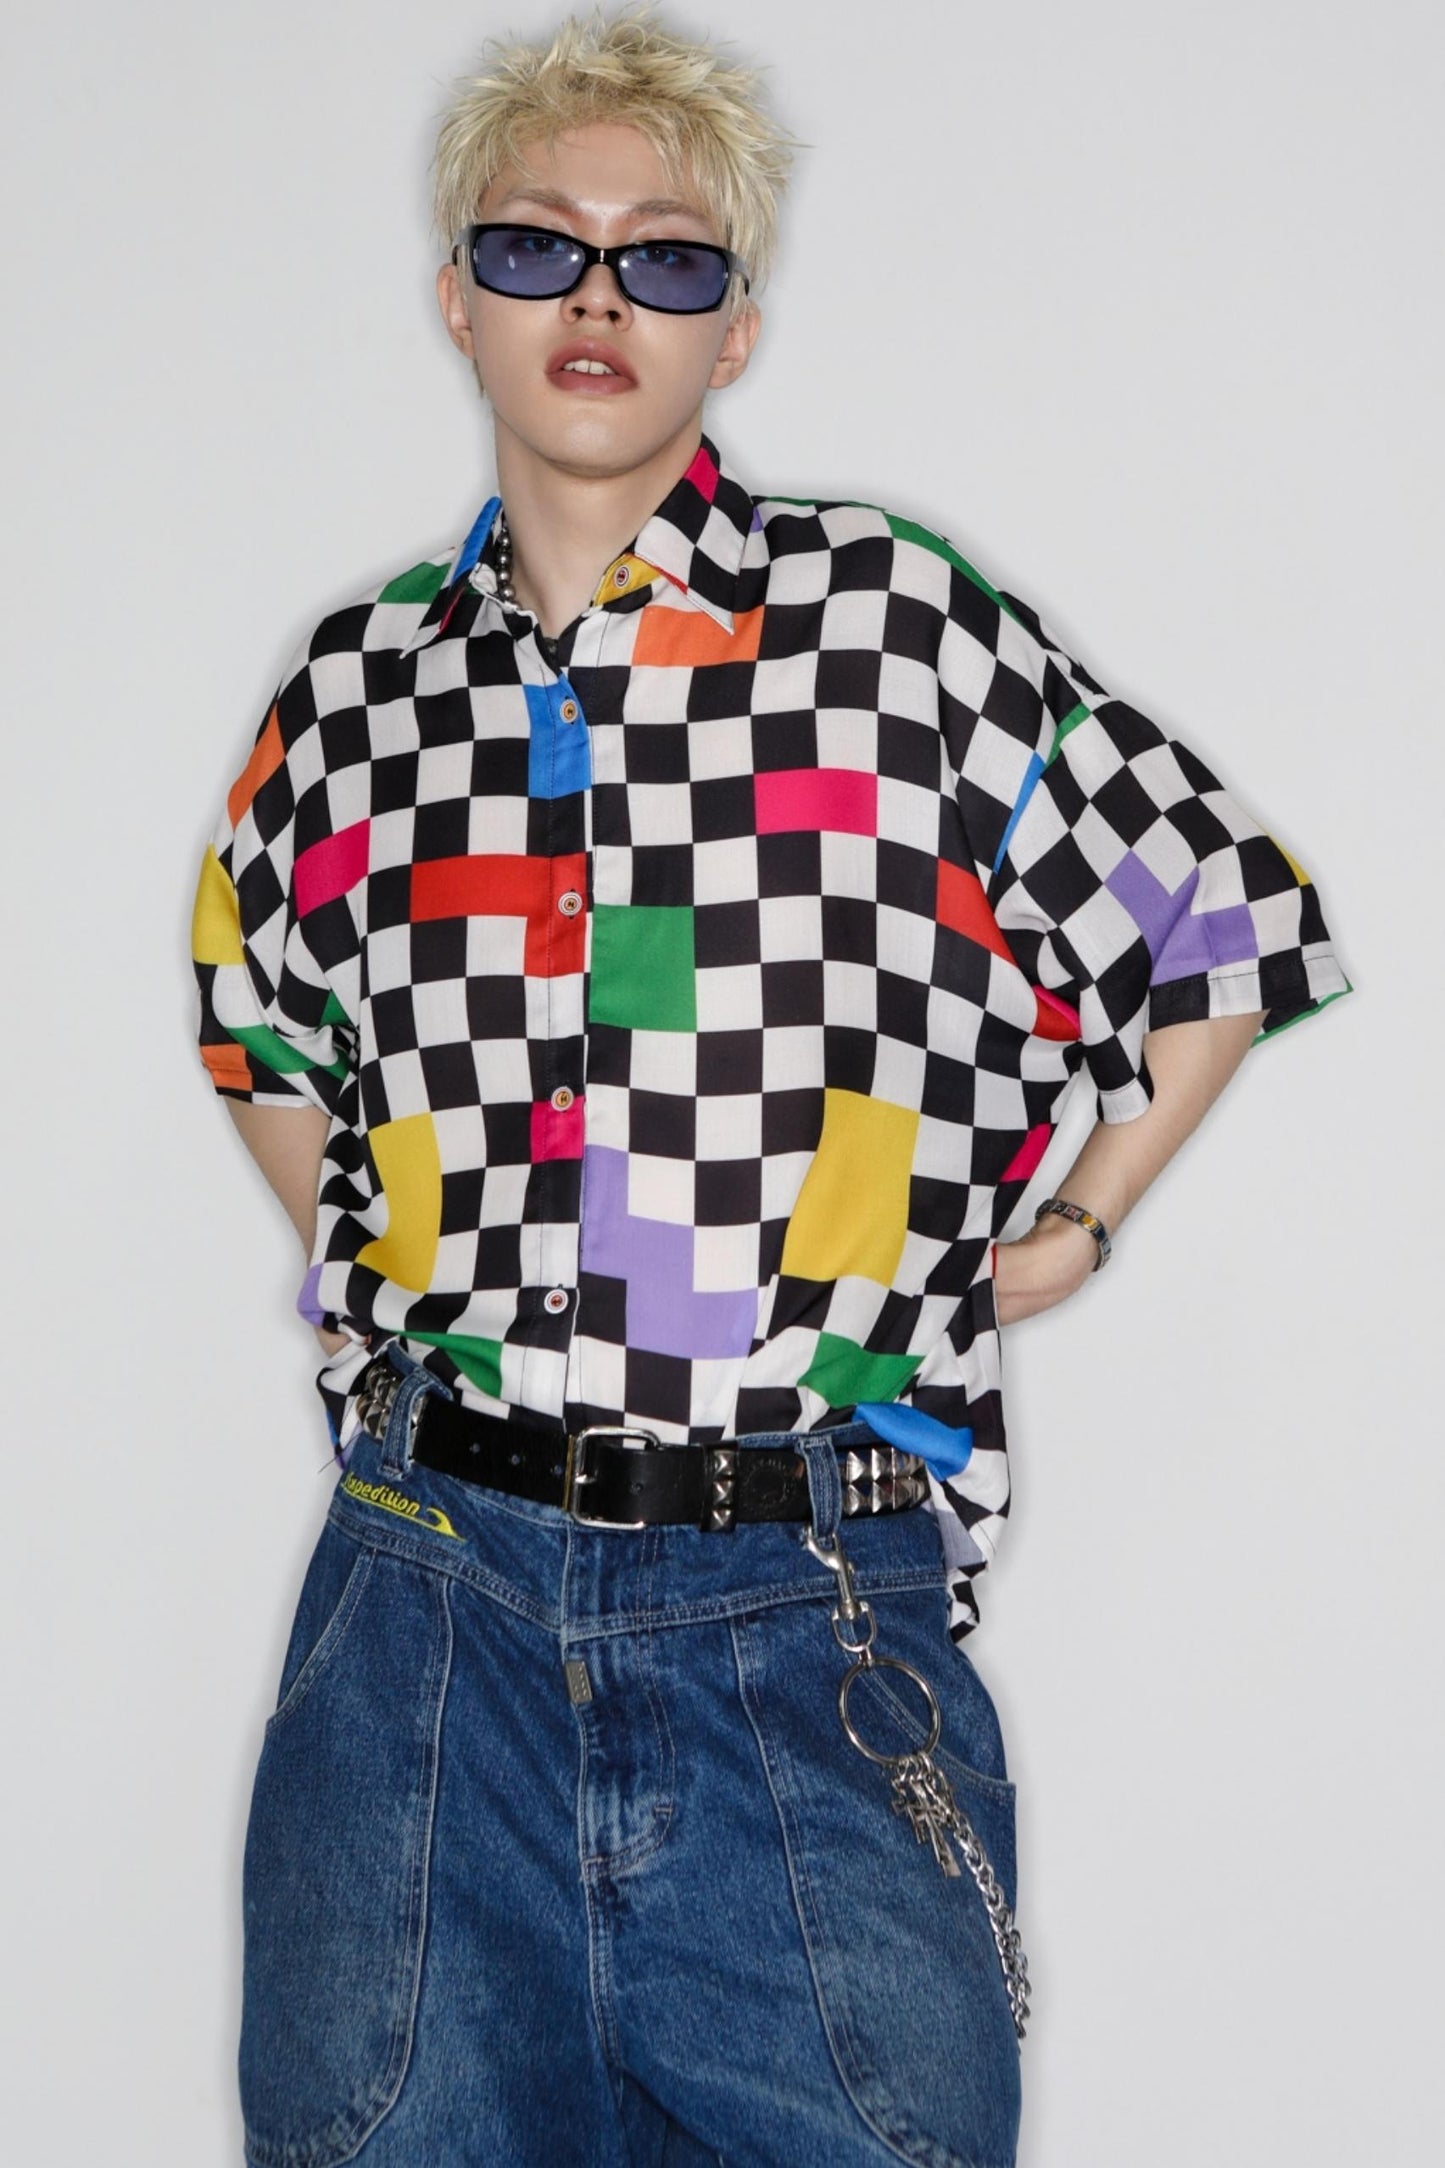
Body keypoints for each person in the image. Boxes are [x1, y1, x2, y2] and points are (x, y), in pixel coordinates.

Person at [189, 9, 1351, 2164]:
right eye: (535, 248)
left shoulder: (893, 631)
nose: (597, 296)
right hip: (424, 1620)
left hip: (803, 1622)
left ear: (733, 329)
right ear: (457, 297)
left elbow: (1210, 919)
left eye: (666, 257)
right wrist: (397, 1255)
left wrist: (1080, 1225)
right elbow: (254, 1020)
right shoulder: (354, 697)